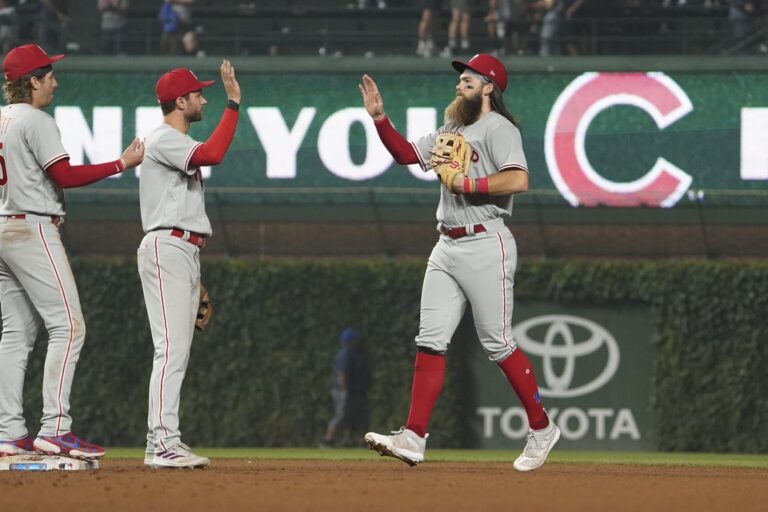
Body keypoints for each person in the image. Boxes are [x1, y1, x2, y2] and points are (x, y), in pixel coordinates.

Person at [358, 53, 560, 472]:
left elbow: (518, 179)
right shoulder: (452, 128)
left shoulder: (499, 128)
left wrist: (469, 182)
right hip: (446, 244)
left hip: (487, 241)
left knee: (498, 344)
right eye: (461, 78)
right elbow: (405, 154)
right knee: (429, 339)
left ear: (490, 88)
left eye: (470, 79)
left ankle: (542, 428)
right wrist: (380, 119)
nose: (460, 83)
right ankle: (413, 437)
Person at [0, 44, 144, 459]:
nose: (55, 81)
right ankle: (55, 428)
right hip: (32, 229)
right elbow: (64, 173)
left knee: (16, 334)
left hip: (4, 226)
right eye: (49, 75)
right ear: (32, 82)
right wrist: (120, 164)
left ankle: (9, 432)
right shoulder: (36, 120)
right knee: (68, 326)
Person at [139, 61, 240, 469]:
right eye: (197, 94)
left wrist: (193, 275)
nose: (204, 98)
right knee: (171, 350)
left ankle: (162, 441)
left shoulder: (175, 142)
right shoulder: (164, 137)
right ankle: (162, 442)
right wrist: (234, 103)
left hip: (182, 247)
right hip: (169, 245)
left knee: (176, 351)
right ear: (179, 101)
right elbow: (213, 153)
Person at [321, 329, 371, 448]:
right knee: (341, 415)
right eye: (354, 339)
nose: (357, 342)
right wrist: (345, 391)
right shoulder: (346, 354)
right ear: (349, 341)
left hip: (354, 391)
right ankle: (328, 440)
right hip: (344, 391)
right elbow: (343, 374)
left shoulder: (355, 353)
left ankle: (359, 441)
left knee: (358, 416)